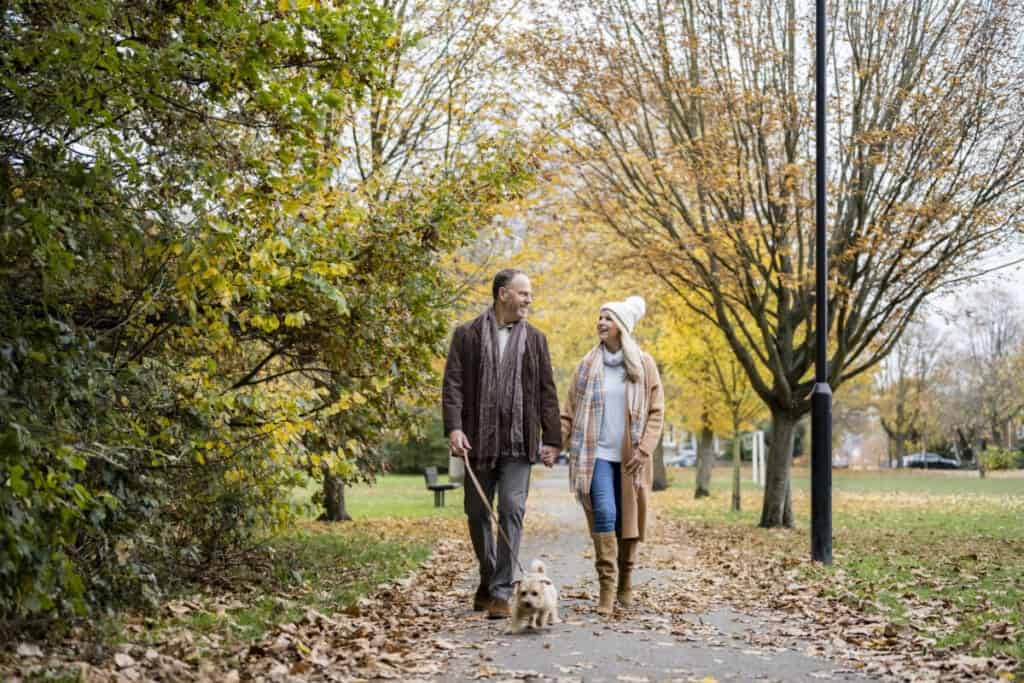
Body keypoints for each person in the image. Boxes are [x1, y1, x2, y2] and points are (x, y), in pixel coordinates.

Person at [442, 269, 562, 619]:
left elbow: (547, 391)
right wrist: (454, 428)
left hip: (518, 442)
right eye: (523, 293)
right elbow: (453, 385)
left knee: (511, 507)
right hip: (476, 441)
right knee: (477, 511)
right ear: (503, 294)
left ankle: (500, 590)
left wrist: (552, 439)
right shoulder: (466, 335)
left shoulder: (536, 340)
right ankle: (488, 577)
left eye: (530, 294)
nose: (529, 299)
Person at [561, 296, 664, 614]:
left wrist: (644, 449)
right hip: (596, 455)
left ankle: (625, 583)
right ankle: (607, 588)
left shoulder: (643, 364)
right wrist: (554, 443)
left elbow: (656, 411)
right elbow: (569, 412)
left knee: (628, 523)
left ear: (621, 326)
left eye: (608, 318)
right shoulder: (586, 365)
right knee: (605, 513)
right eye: (600, 317)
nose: (601, 323)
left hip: (633, 458)